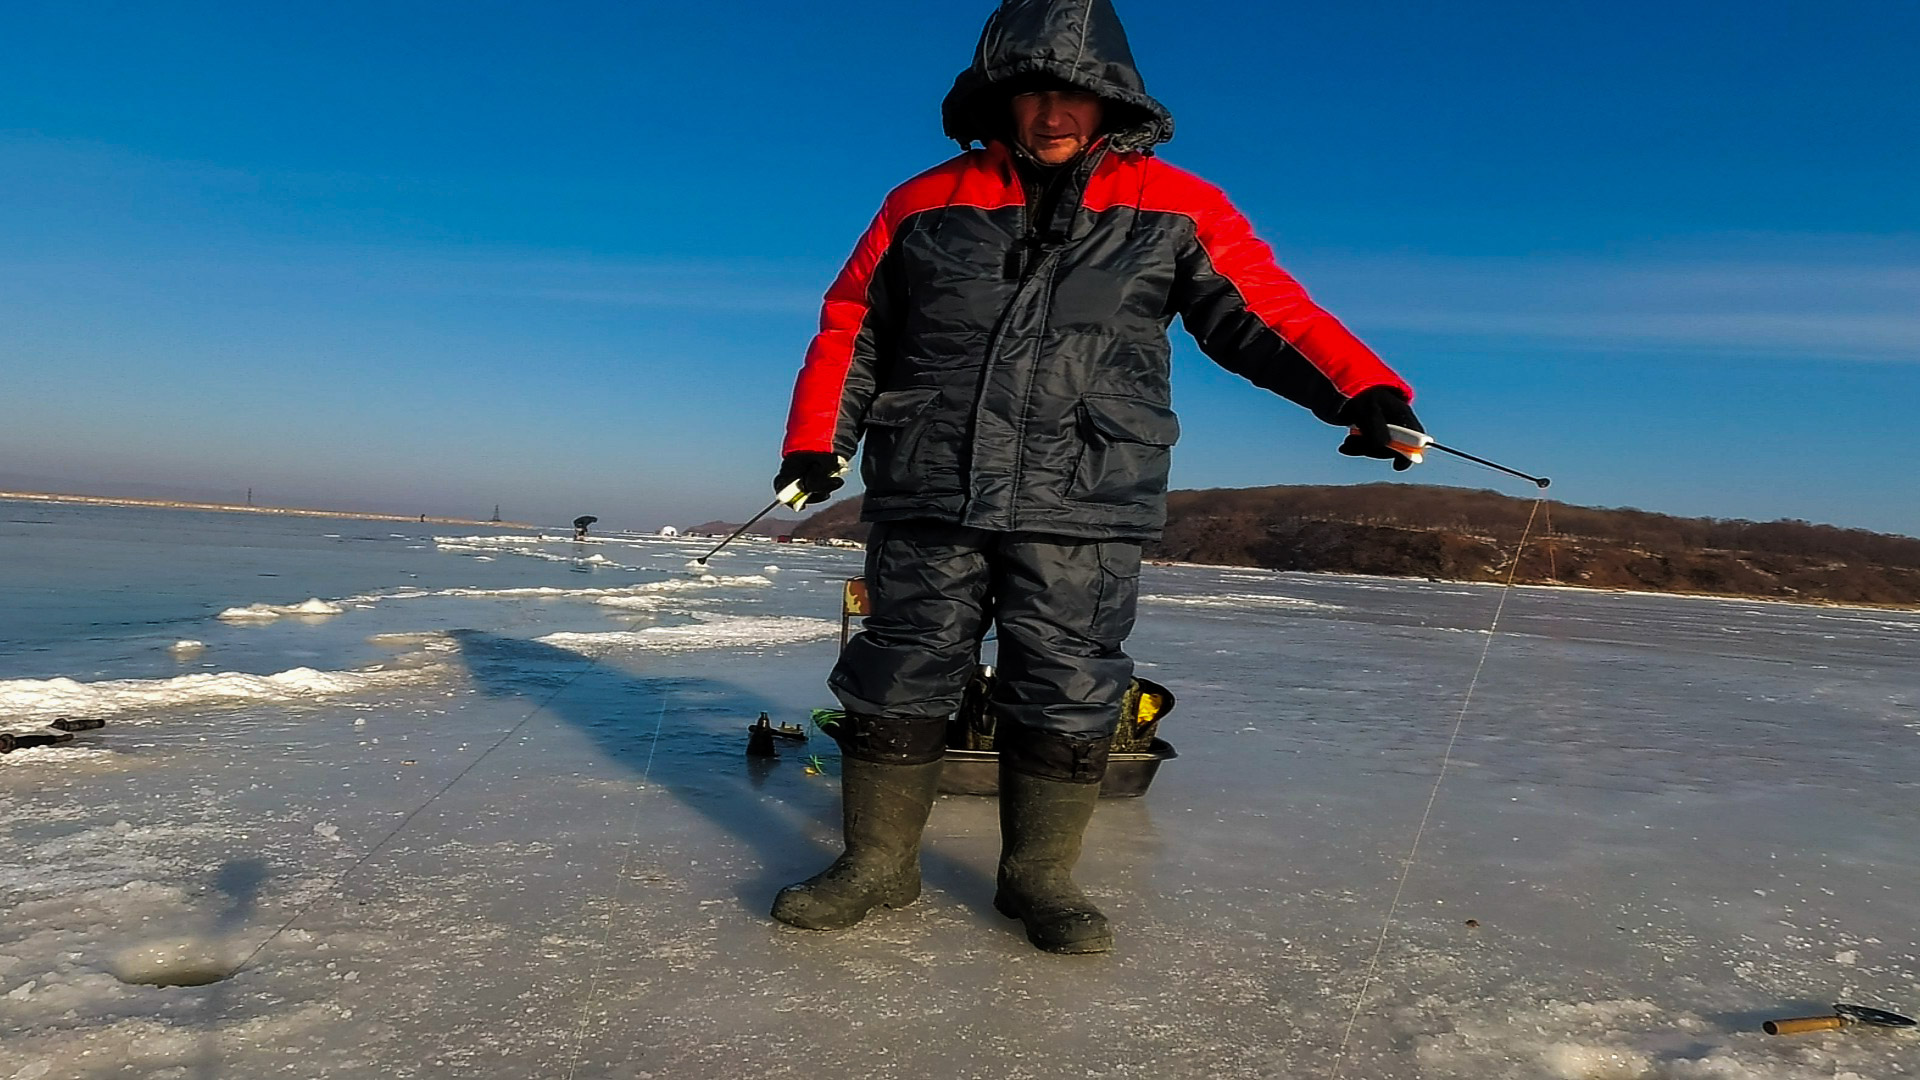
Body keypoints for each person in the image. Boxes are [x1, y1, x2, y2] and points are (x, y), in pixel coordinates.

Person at [771, 0, 1422, 954]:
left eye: (1075, 93)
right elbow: (854, 326)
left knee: (1070, 679)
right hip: (929, 483)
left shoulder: (1178, 205)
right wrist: (815, 441)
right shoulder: (920, 203)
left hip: (1087, 486)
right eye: (1032, 91)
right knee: (901, 665)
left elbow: (1262, 311)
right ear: (998, 98)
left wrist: (1360, 390)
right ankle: (877, 865)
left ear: (1112, 100)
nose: (1051, 114)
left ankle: (1038, 876)